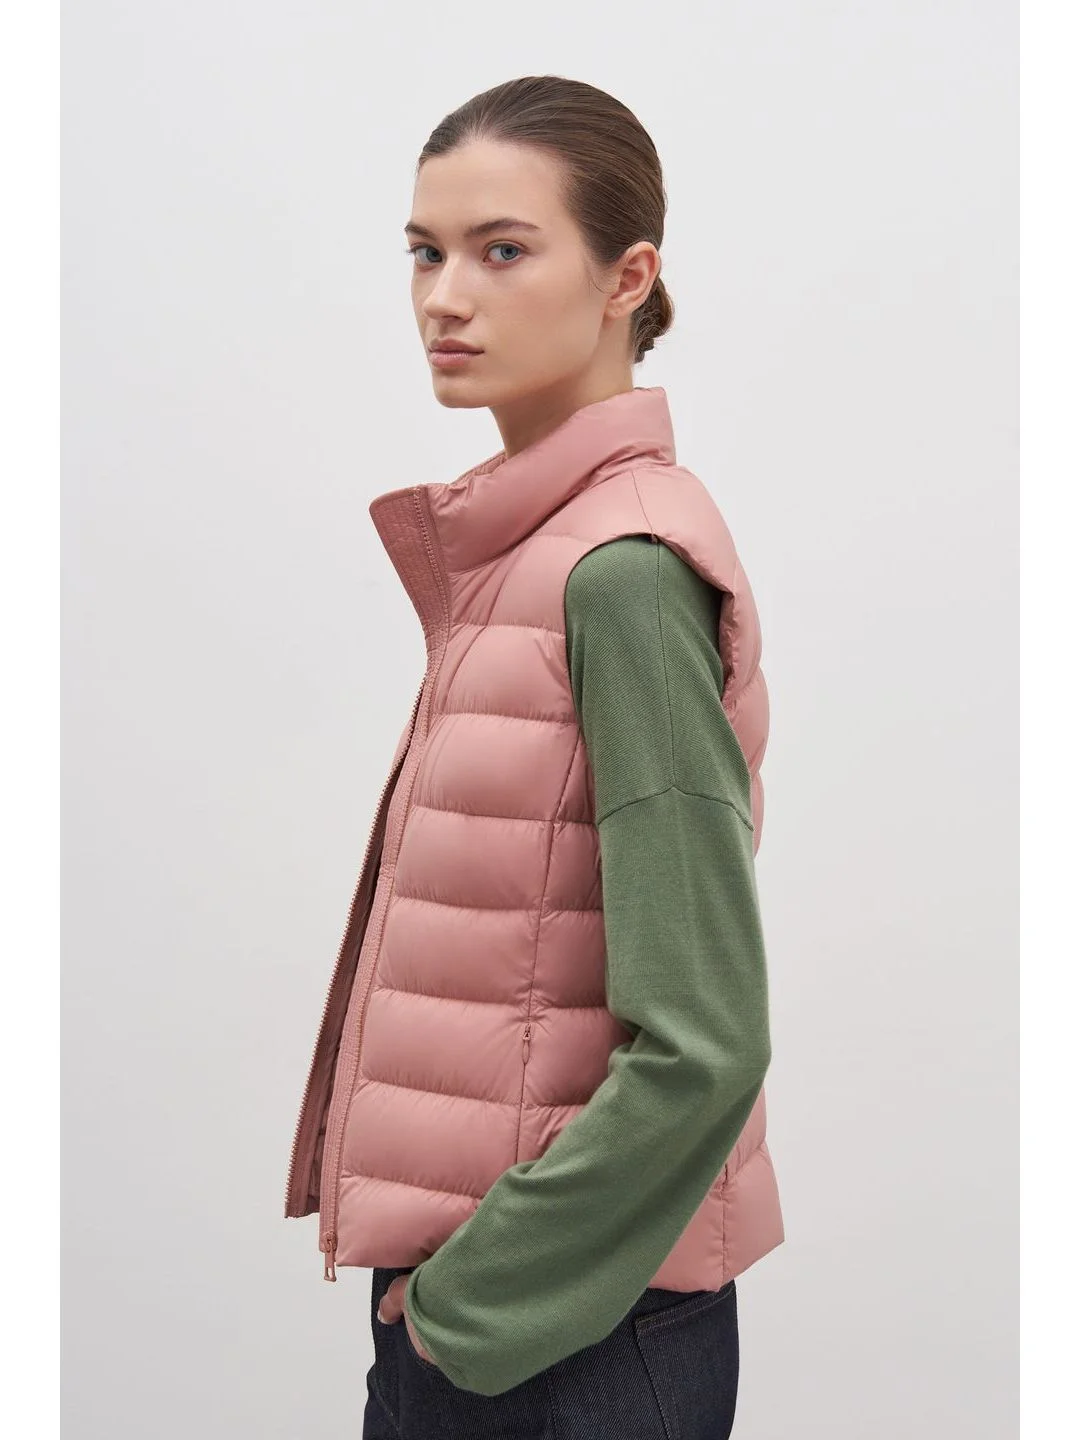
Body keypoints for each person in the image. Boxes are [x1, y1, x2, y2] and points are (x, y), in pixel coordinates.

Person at [283, 74, 784, 1439]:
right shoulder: (527, 554)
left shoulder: (622, 571)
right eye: (424, 252)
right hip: (516, 1309)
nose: (445, 298)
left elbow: (706, 1039)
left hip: (566, 1334)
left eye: (502, 251)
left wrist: (473, 1310)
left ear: (629, 278)